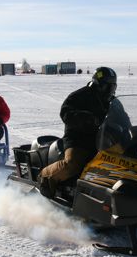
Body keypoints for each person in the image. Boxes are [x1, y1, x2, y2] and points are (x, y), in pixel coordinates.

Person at [38, 67, 118, 198]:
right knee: (73, 163)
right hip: (78, 139)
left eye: (112, 86)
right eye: (107, 86)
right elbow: (66, 113)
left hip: (103, 140)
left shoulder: (112, 102)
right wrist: (86, 118)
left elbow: (122, 117)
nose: (110, 90)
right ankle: (45, 177)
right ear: (99, 84)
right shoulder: (80, 95)